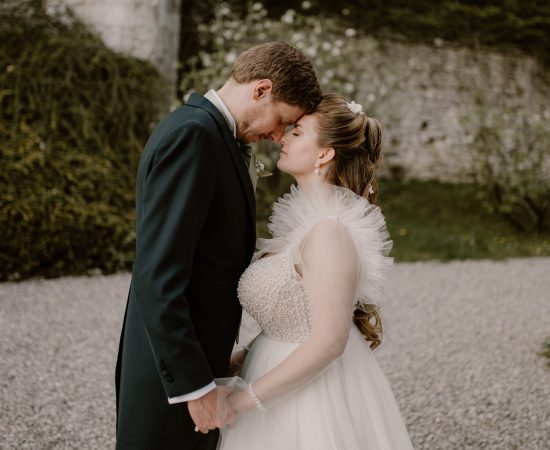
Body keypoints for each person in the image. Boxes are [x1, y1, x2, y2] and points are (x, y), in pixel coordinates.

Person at [114, 42, 321, 450]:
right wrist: (195, 387)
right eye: (282, 121)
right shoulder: (195, 137)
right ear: (261, 90)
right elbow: (158, 277)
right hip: (170, 381)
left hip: (193, 364)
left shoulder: (207, 133)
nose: (277, 135)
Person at [218, 94, 414, 449]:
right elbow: (289, 319)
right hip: (269, 373)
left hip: (308, 396)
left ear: (324, 154)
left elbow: (328, 341)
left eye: (298, 133)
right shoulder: (303, 226)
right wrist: (236, 363)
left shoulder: (330, 233)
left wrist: (244, 400)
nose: (283, 138)